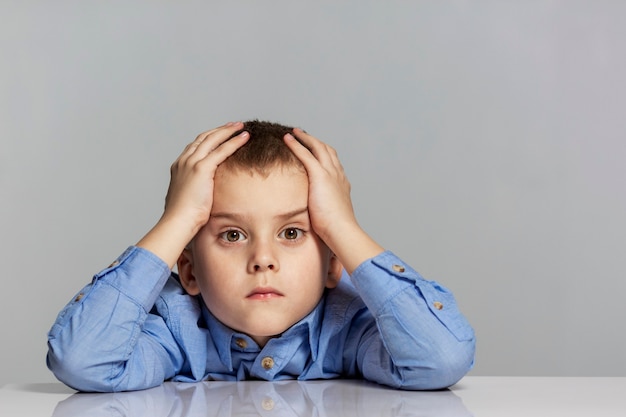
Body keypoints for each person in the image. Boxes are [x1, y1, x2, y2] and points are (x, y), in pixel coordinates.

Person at [46, 120, 475, 392]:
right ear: (189, 272)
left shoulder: (350, 331)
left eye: (291, 232)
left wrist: (343, 228)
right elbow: (83, 361)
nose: (263, 259)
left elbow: (441, 359)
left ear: (332, 263)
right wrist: (177, 222)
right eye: (233, 234)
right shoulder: (176, 332)